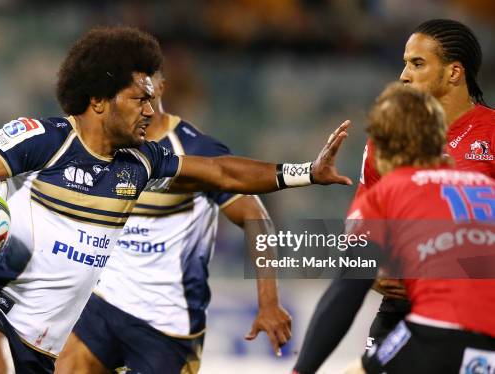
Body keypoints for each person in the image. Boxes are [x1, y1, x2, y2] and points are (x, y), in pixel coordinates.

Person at [0, 27, 351, 373]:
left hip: (48, 348)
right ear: (98, 101)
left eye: (152, 98)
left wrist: (305, 173)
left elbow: (221, 172)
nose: (150, 110)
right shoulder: (45, 141)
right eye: (139, 99)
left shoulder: (143, 162)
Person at [54, 70, 292, 374]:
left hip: (169, 324)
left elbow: (255, 216)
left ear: (161, 86)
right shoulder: (104, 144)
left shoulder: (195, 150)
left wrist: (269, 302)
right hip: (104, 306)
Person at [293, 83, 495, 374]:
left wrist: (301, 370)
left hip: (435, 334)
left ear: (381, 147)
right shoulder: (486, 189)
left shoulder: (388, 193)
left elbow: (346, 290)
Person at [357, 18, 494, 348]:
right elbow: (362, 225)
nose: (404, 75)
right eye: (405, 64)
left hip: (477, 310)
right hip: (401, 309)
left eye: (417, 64)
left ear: (454, 73)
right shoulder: (387, 138)